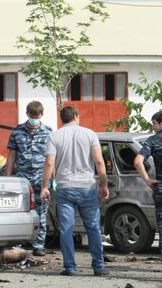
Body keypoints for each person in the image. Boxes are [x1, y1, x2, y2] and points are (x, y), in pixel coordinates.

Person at [41, 106, 109, 277]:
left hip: (65, 188)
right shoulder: (90, 134)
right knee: (93, 227)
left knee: (66, 229)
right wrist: (104, 184)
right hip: (87, 188)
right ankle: (98, 266)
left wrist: (45, 186)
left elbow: (49, 163)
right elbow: (99, 162)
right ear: (77, 117)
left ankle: (70, 267)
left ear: (61, 118)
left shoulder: (54, 136)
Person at [133, 110, 162, 283]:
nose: (153, 128)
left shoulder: (153, 140)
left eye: (153, 124)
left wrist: (147, 180)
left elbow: (137, 161)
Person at [5, 100, 53, 256]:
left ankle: (38, 245)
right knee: (20, 211)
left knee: (41, 212)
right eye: (32, 115)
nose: (34, 119)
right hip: (22, 177)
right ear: (27, 114)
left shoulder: (49, 132)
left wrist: (54, 178)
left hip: (41, 177)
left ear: (41, 115)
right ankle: (18, 244)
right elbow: (11, 155)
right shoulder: (17, 131)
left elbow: (52, 158)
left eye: (37, 116)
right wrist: (8, 177)